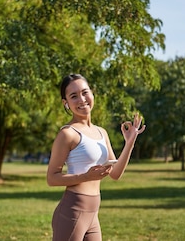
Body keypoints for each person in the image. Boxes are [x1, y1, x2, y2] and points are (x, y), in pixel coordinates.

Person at [46, 74, 146, 241]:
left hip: (93, 214)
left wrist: (129, 142)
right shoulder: (67, 134)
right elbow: (51, 178)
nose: (82, 99)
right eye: (74, 96)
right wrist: (86, 176)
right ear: (66, 103)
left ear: (92, 94)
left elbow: (115, 174)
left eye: (85, 92)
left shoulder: (101, 132)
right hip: (72, 212)